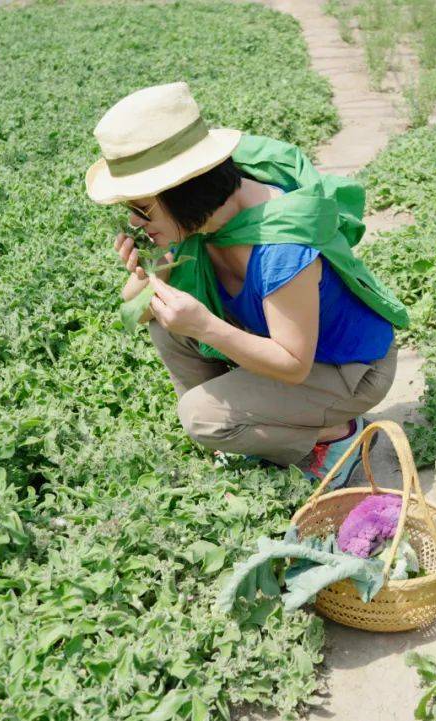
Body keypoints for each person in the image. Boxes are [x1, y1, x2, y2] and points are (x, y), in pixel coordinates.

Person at [85, 82, 408, 487]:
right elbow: (138, 306)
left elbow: (293, 363)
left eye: (140, 207)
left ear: (184, 190)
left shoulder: (281, 246)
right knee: (165, 321)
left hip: (350, 368)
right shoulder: (203, 215)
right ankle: (249, 423)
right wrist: (150, 271)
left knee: (200, 417)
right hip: (287, 345)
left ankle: (337, 436)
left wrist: (205, 326)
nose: (133, 222)